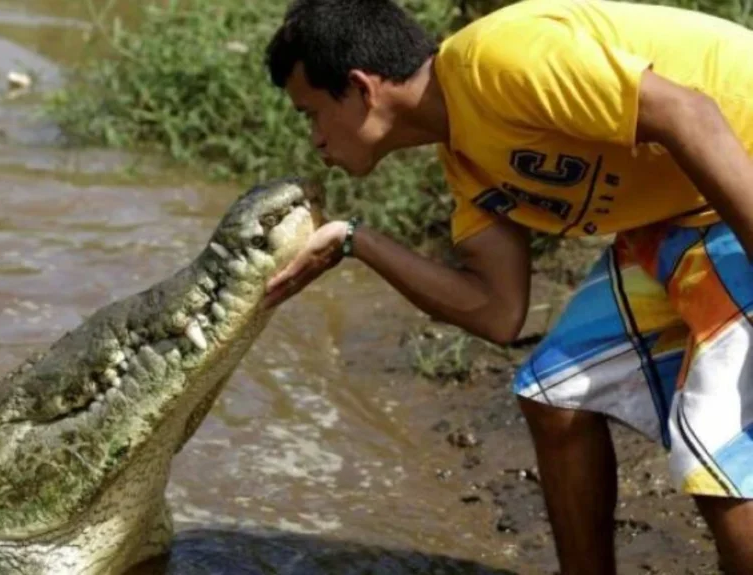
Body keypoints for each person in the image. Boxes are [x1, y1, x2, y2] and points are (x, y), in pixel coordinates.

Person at [260, 0, 753, 573]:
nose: (315, 139)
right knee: (554, 392)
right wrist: (354, 240)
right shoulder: (467, 163)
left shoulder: (498, 61)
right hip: (680, 219)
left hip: (736, 184)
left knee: (714, 442)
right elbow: (498, 312)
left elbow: (690, 115)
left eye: (311, 114)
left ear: (360, 89)